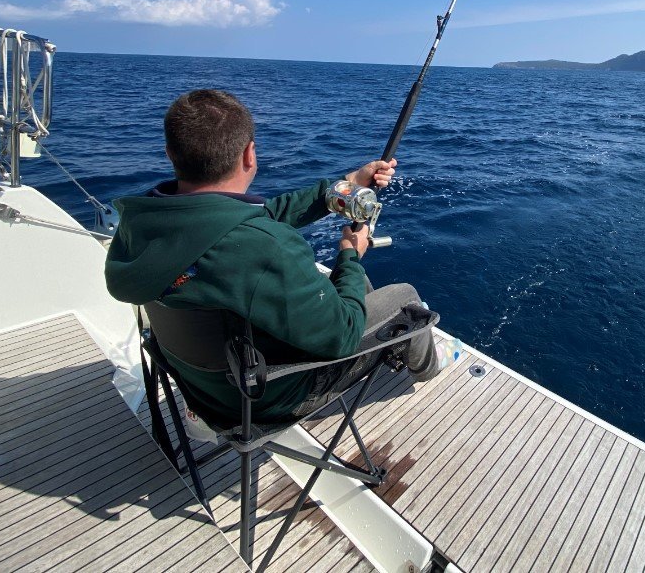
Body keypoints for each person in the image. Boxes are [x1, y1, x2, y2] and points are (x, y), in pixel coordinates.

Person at [104, 88, 440, 426]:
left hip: (203, 387)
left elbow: (260, 217)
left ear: (170, 153)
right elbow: (343, 335)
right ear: (250, 154)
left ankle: (390, 344)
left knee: (355, 288)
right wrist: (350, 254)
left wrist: (345, 184)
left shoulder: (142, 224)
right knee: (407, 299)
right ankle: (430, 373)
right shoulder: (266, 248)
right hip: (266, 398)